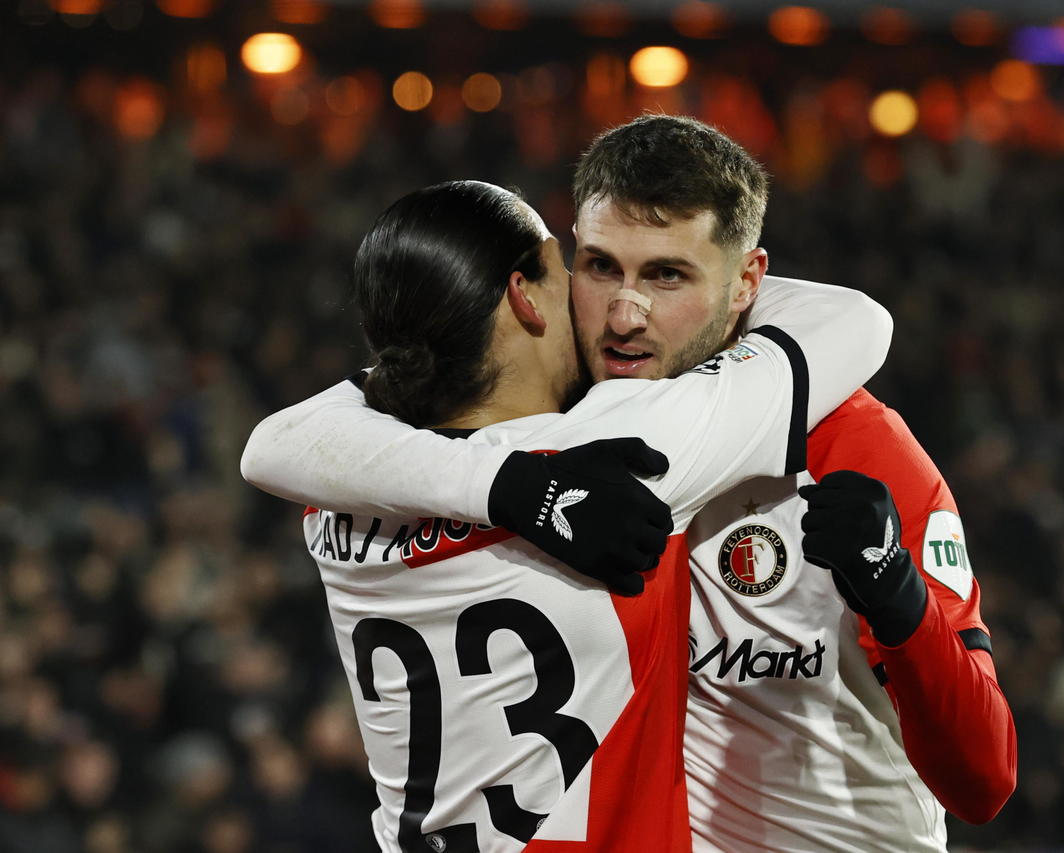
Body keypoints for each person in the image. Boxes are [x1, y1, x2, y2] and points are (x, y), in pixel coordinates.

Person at [242, 116, 1015, 852]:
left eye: (667, 275)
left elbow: (984, 779)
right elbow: (301, 436)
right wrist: (516, 485)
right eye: (600, 266)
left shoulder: (849, 442)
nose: (623, 315)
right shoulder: (563, 424)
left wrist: (898, 596)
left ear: (747, 282)